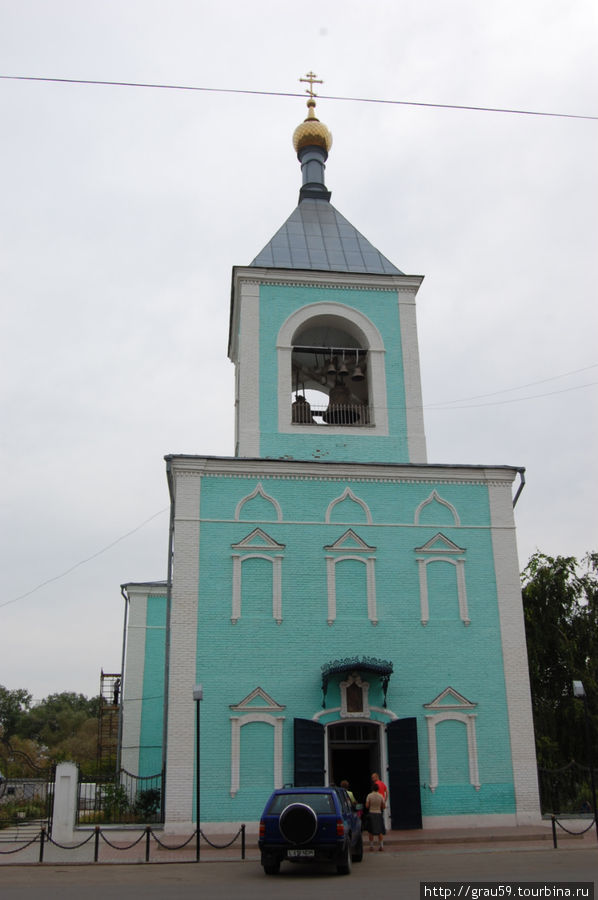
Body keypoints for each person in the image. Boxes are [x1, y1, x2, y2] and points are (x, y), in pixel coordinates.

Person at [365, 782, 386, 851]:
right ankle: (381, 846)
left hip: (371, 813)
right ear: (378, 789)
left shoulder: (369, 796)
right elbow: (383, 806)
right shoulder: (381, 796)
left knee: (370, 830)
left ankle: (371, 846)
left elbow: (367, 806)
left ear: (372, 789)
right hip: (378, 813)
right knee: (380, 831)